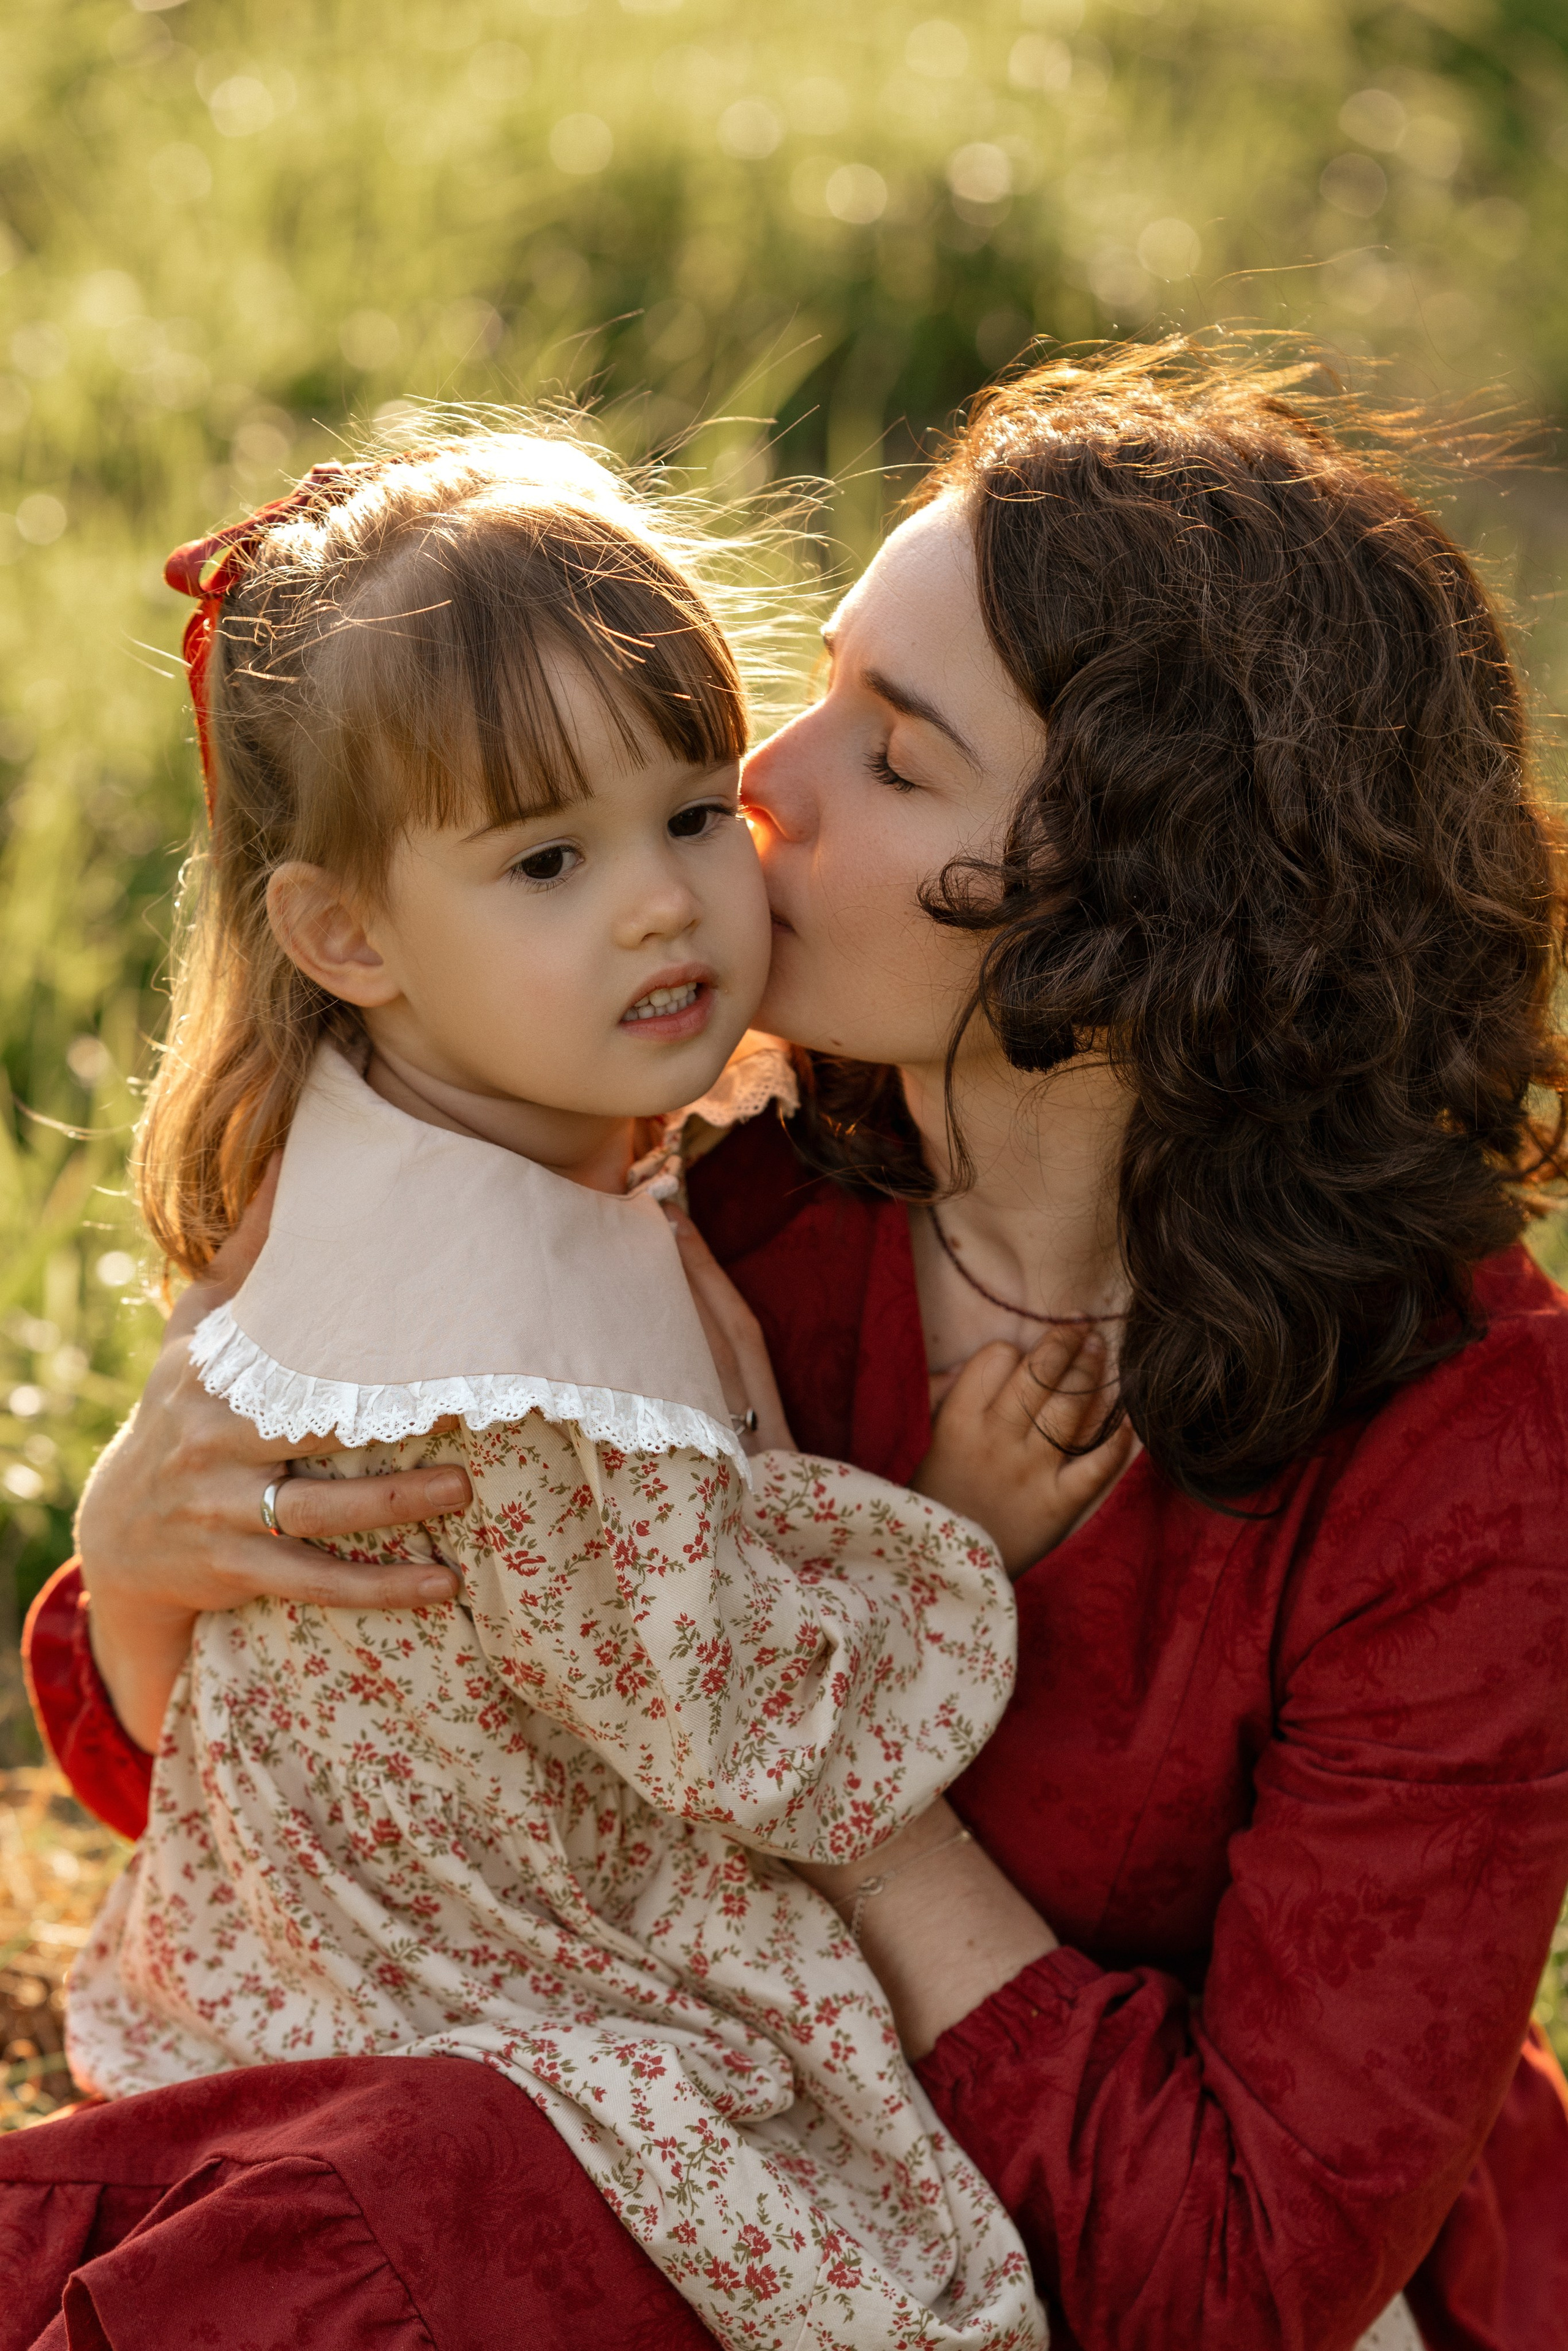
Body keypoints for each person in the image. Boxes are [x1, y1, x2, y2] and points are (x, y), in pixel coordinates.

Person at [12, 343, 1568, 2351]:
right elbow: (347, 1789)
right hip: (650, 2172)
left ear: (1153, 907)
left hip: (1044, 2279)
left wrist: (843, 1806)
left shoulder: (1462, 1461)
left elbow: (1228, 2279)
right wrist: (135, 1556)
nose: (761, 781)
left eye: (893, 754)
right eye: (819, 682)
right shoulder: (723, 1165)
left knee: (398, 2212)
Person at [42, 429, 1129, 2351]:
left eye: (695, 811)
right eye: (550, 859)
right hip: (457, 1972)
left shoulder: (383, 1127)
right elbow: (750, 1739)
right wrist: (948, 1543)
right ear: (345, 935)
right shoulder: (521, 1389)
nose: (660, 906)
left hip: (265, 1954)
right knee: (870, 2260)